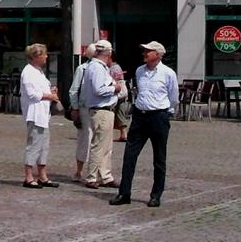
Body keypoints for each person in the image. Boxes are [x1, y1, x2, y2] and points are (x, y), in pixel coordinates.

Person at [110, 41, 179, 208]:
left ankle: (156, 195)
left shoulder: (168, 73)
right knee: (129, 155)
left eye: (148, 51)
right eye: (144, 51)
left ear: (158, 54)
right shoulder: (140, 71)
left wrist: (166, 112)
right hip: (140, 116)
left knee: (159, 157)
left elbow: (173, 97)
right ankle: (124, 193)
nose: (145, 53)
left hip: (158, 116)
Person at [18, 42, 61, 189]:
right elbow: (32, 94)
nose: (46, 57)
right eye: (44, 54)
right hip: (34, 114)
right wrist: (49, 96)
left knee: (43, 146)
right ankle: (29, 176)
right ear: (36, 56)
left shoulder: (39, 71)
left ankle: (43, 175)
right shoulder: (28, 72)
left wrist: (51, 90)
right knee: (34, 145)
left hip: (43, 114)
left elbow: (41, 89)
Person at [77, 40, 120, 188]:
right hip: (101, 109)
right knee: (99, 145)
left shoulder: (97, 66)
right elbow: (98, 89)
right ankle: (92, 177)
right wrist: (115, 88)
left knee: (106, 145)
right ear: (108, 53)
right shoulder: (96, 67)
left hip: (105, 110)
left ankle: (105, 175)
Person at [67, 45, 95, 180]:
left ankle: (95, 171)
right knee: (85, 139)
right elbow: (73, 90)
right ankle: (79, 170)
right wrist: (75, 108)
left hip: (100, 109)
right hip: (85, 108)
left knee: (99, 140)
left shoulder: (105, 68)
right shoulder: (82, 69)